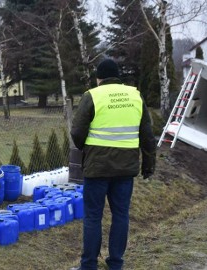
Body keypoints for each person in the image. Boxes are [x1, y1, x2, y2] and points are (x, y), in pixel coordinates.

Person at [70, 58, 156, 270]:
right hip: (125, 169)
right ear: (118, 77)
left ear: (99, 78)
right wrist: (148, 165)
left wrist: (85, 149)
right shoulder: (135, 96)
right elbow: (147, 135)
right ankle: (116, 263)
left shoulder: (92, 95)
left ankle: (89, 265)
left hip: (97, 167)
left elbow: (77, 132)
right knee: (120, 215)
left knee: (92, 217)